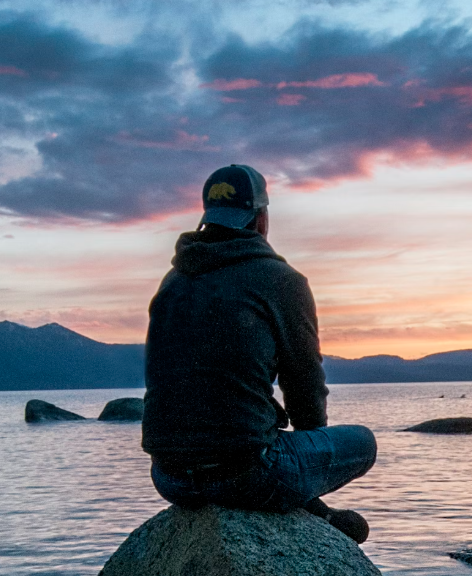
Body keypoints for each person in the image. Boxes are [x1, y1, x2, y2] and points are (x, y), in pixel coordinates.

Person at [142, 163, 376, 543]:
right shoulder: (280, 280)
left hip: (169, 478)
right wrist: (307, 456)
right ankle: (309, 506)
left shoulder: (172, 283)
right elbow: (304, 383)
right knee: (363, 443)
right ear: (261, 218)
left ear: (207, 216)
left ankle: (311, 507)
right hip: (246, 475)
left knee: (255, 435)